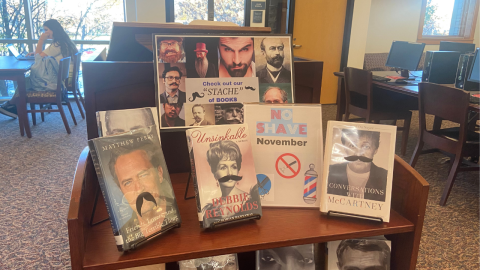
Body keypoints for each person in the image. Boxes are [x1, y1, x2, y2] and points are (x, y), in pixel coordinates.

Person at [0, 19, 78, 118]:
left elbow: (38, 58)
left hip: (58, 81)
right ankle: (12, 105)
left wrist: (41, 40)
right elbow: (42, 55)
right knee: (27, 80)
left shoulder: (57, 45)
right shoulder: (64, 42)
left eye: (46, 30)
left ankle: (12, 105)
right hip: (63, 77)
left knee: (26, 81)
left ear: (53, 30)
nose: (45, 33)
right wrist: (37, 53)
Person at [108, 139, 178, 238]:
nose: (139, 188)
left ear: (160, 173)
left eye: (143, 175)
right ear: (121, 190)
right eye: (128, 182)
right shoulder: (123, 236)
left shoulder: (180, 215)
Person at [202, 140, 259, 220]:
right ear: (215, 173)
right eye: (223, 167)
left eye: (233, 167)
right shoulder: (211, 211)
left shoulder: (251, 201)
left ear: (238, 170)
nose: (230, 173)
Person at [327, 129, 387, 202]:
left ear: (376, 149)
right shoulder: (329, 171)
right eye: (352, 145)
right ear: (344, 147)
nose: (358, 154)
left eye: (366, 147)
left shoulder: (385, 177)